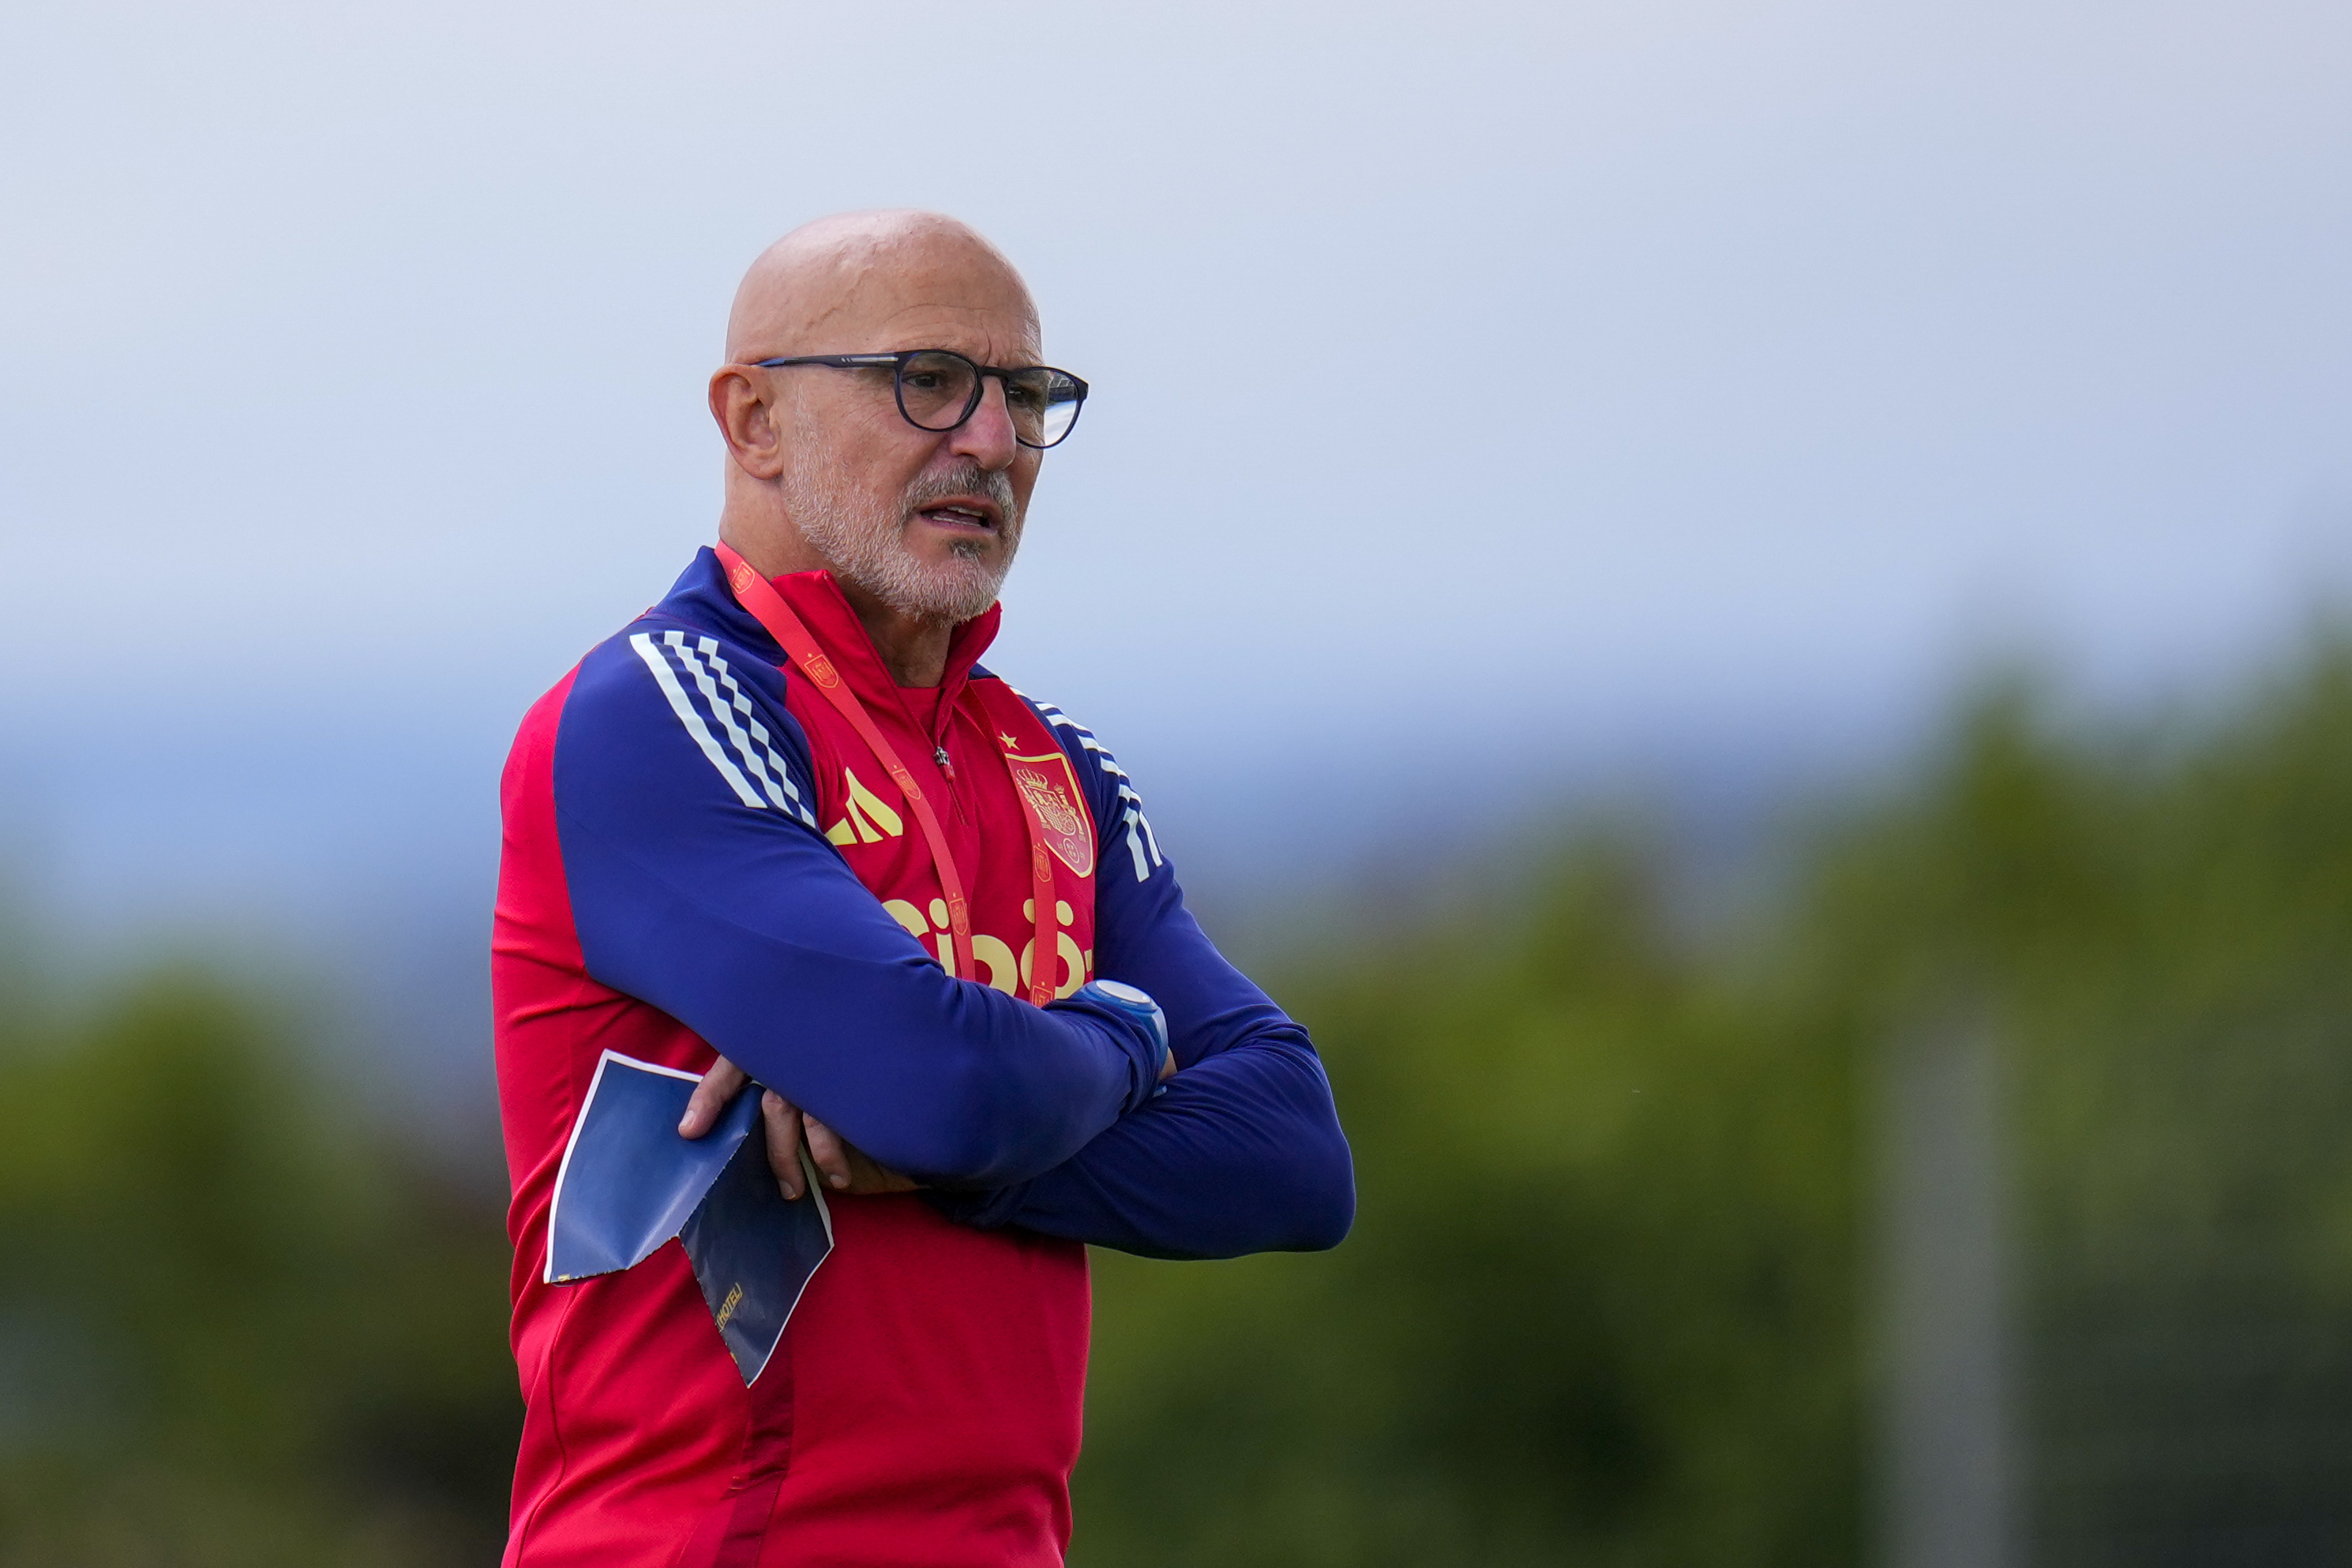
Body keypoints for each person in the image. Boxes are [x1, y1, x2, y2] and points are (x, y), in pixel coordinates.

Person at [490, 209, 1355, 1568]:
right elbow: (946, 1087)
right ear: (756, 417)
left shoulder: (1052, 765)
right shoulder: (659, 711)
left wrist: (980, 1139)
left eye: (1025, 395)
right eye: (929, 381)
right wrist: (1126, 1039)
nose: (994, 441)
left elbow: (1294, 1153)